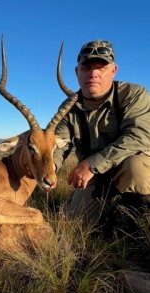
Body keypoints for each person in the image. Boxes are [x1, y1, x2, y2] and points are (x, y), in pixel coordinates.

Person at [53, 39, 150, 229]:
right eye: (87, 67)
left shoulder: (134, 93)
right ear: (77, 72)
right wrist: (51, 166)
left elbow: (139, 135)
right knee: (72, 225)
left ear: (113, 70)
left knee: (137, 167)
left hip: (126, 166)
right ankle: (104, 210)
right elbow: (59, 143)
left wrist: (92, 164)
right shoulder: (68, 107)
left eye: (101, 67)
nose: (93, 73)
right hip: (95, 177)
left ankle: (138, 224)